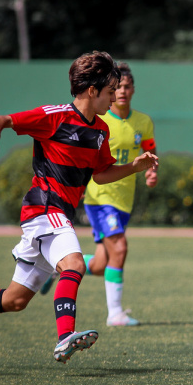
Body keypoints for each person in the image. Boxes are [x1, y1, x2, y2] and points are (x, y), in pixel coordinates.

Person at [0, 51, 159, 363]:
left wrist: (135, 167)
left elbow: (100, 175)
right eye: (110, 91)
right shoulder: (54, 116)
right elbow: (3, 120)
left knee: (15, 300)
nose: (114, 97)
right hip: (45, 208)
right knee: (74, 265)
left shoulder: (101, 130)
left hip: (57, 215)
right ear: (91, 91)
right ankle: (64, 338)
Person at [40, 62, 157, 327]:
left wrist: (151, 172)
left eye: (127, 87)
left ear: (134, 89)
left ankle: (56, 269)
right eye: (119, 87)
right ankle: (115, 314)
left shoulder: (143, 121)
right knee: (120, 248)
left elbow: (150, 149)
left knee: (103, 263)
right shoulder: (99, 120)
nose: (123, 92)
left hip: (124, 199)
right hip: (100, 196)